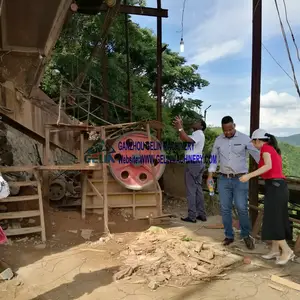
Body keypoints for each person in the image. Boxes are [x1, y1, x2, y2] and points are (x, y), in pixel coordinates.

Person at [239, 129, 294, 265]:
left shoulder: (266, 149)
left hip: (276, 187)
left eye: (253, 140)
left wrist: (249, 175)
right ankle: (275, 250)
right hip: (276, 187)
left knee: (274, 220)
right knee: (273, 217)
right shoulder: (270, 149)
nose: (252, 143)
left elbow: (268, 166)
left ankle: (286, 251)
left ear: (258, 140)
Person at [207, 116, 260, 250]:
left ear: (234, 125)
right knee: (225, 208)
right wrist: (210, 175)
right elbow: (214, 158)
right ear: (222, 129)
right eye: (225, 130)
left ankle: (246, 235)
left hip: (240, 179)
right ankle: (229, 235)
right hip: (223, 178)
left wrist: (269, 166)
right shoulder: (218, 140)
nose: (228, 132)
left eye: (230, 129)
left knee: (241, 207)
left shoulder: (244, 138)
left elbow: (256, 154)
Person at [173, 116, 207, 223]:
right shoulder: (196, 134)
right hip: (197, 163)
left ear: (201, 126)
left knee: (191, 190)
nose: (194, 121)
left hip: (193, 164)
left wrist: (179, 127)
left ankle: (192, 216)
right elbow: (184, 137)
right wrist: (180, 128)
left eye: (197, 121)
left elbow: (186, 139)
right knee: (197, 190)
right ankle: (201, 214)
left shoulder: (198, 133)